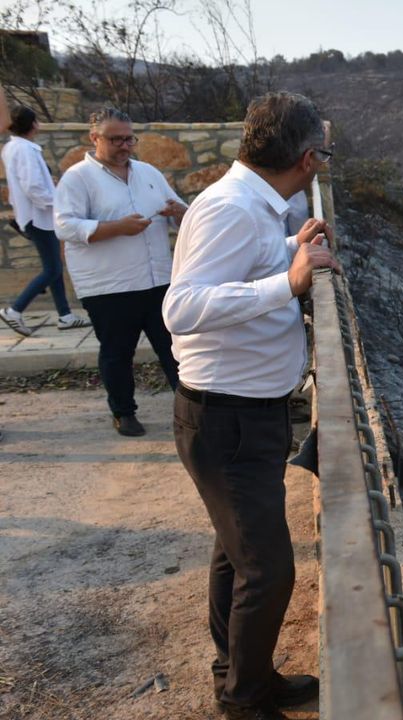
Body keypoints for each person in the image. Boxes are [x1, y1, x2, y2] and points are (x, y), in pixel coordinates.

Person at [163, 91, 337, 720]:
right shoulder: (231, 208)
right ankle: (244, 702)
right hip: (226, 417)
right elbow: (182, 307)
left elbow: (243, 268)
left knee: (235, 556)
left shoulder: (258, 205)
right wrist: (288, 282)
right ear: (308, 158)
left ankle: (242, 674)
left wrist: (292, 246)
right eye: (323, 154)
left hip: (244, 413)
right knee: (267, 570)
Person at [53, 107, 182, 436]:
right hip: (110, 285)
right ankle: (123, 412)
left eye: (129, 139)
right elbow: (65, 226)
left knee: (175, 348)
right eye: (116, 139)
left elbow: (178, 211)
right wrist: (116, 228)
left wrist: (180, 211)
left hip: (157, 279)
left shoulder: (148, 172)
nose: (125, 146)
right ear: (94, 138)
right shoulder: (78, 178)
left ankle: (191, 411)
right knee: (118, 353)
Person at [1, 106, 91, 336]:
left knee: (53, 266)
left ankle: (65, 315)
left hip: (34, 215)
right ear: (33, 124)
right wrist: (57, 201)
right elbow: (33, 186)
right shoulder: (25, 150)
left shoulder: (13, 147)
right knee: (52, 268)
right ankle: (14, 310)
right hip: (39, 216)